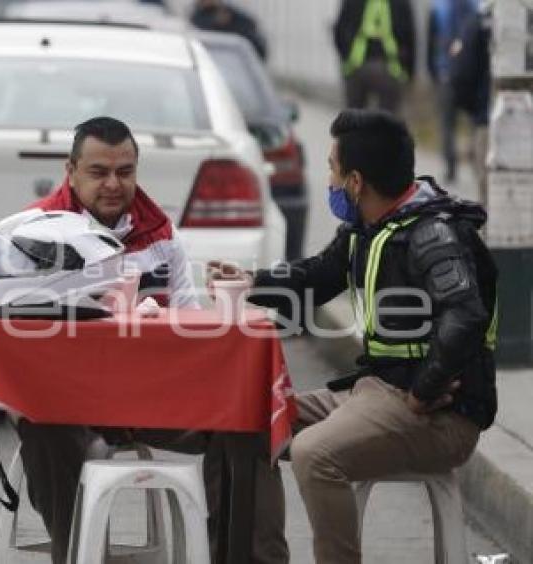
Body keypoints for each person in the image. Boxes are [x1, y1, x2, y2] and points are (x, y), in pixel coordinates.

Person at [210, 109, 498, 564]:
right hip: (377, 393)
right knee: (249, 422)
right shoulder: (370, 228)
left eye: (332, 168)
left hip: (438, 416)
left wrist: (426, 388)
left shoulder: (433, 234)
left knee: (313, 453)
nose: (329, 179)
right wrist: (253, 281)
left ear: (356, 181)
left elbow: (465, 314)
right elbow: (319, 276)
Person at [16, 116, 289, 564]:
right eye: (98, 172)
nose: (112, 185)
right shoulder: (35, 233)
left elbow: (191, 329)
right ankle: (75, 554)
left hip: (158, 401)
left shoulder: (161, 236)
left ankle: (241, 556)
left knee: (245, 415)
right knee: (37, 419)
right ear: (71, 171)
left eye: (124, 172)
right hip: (70, 401)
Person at [333, 0, 416, 115]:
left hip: (356, 68)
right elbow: (410, 37)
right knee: (388, 121)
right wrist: (410, 73)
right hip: (390, 69)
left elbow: (339, 31)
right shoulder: (401, 3)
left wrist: (346, 57)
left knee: (354, 121)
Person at [428, 0, 478, 184]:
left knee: (447, 124)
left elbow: (431, 40)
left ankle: (451, 167)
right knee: (475, 121)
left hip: (446, 72)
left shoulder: (439, 7)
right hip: (472, 74)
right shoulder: (477, 5)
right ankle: (476, 161)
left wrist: (433, 72)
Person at [448, 1, 493, 202]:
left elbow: (463, 73)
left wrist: (473, 109)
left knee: (490, 194)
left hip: (487, 118)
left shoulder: (480, 21)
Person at [190, 0, 267, 60]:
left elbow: (250, 23)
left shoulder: (227, 12)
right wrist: (216, 21)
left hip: (240, 56)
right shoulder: (197, 17)